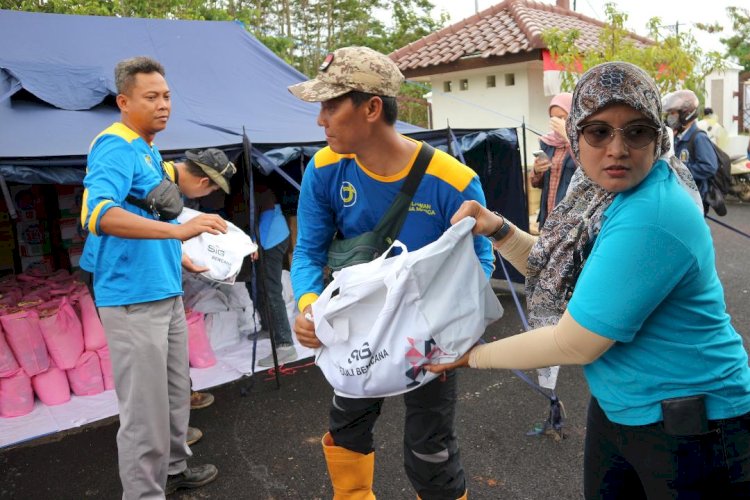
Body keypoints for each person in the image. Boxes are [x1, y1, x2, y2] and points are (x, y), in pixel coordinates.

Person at [428, 62, 750, 498]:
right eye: (599, 132)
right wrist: (499, 229)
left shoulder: (651, 213)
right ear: (576, 137)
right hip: (623, 405)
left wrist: (469, 356)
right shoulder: (598, 192)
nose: (616, 148)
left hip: (696, 425)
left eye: (636, 131)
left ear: (657, 136)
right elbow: (565, 276)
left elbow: (576, 342)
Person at [288, 46, 494, 499]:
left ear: (372, 108)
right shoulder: (324, 169)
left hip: (427, 332)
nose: (320, 119)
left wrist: (458, 332)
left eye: (330, 104)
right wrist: (308, 308)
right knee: (347, 430)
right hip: (354, 331)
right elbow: (306, 252)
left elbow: (479, 261)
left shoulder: (453, 180)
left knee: (429, 447)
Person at [81, 56, 225, 498]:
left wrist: (181, 256)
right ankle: (144, 493)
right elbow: (97, 213)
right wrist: (179, 230)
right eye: (151, 97)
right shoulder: (114, 146)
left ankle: (176, 468)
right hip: (130, 297)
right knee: (143, 410)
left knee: (175, 391)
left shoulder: (148, 150)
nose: (163, 105)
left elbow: (147, 214)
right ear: (124, 101)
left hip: (164, 289)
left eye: (166, 96)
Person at [253, 184, 297, 367]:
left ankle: (286, 345)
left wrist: (257, 242)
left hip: (271, 239)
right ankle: (268, 326)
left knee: (272, 291)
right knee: (258, 285)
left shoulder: (257, 182)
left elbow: (268, 209)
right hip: (266, 237)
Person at [663, 89, 719, 213]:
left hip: (695, 200)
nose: (670, 117)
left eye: (673, 113)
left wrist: (681, 172)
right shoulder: (678, 137)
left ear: (686, 114)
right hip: (682, 197)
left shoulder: (699, 137)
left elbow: (709, 166)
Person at [531, 92, 576, 228]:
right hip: (548, 214)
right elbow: (536, 183)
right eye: (553, 118)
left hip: (571, 216)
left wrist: (568, 135)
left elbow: (587, 170)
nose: (557, 122)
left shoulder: (583, 142)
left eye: (562, 117)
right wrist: (537, 171)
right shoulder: (548, 142)